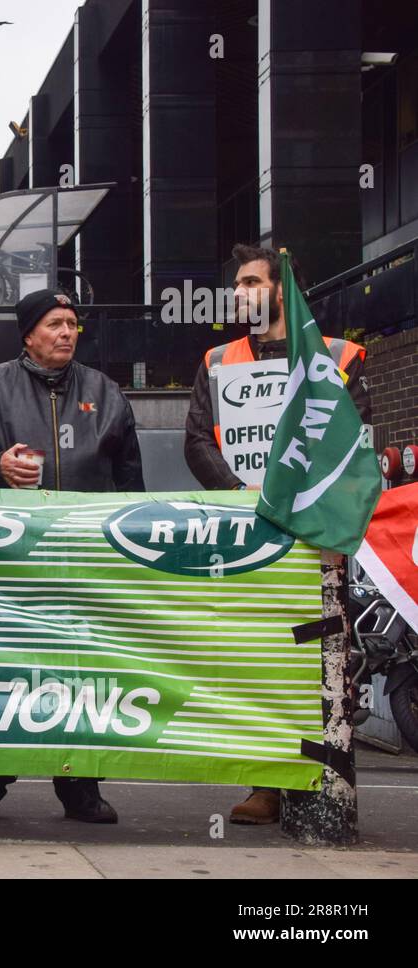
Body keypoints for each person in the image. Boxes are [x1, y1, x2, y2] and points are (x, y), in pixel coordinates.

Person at [0, 288, 143, 823]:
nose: (67, 332)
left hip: (84, 565)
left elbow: (132, 485)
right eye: (54, 323)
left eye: (72, 323)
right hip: (5, 565)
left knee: (81, 674)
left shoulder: (107, 393)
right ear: (29, 335)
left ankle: (81, 788)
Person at [184, 243, 370, 826]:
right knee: (259, 659)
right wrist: (247, 496)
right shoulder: (218, 360)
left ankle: (324, 780)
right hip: (253, 530)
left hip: (316, 533)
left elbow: (353, 445)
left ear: (282, 288)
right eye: (235, 283)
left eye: (249, 282)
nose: (238, 293)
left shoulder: (339, 356)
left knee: (320, 659)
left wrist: (298, 494)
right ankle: (265, 783)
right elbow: (197, 442)